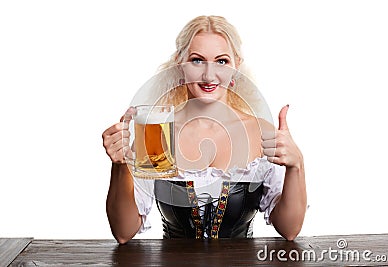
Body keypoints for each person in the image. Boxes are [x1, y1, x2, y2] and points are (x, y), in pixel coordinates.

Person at [102, 15, 307, 244]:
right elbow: (123, 232)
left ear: (236, 67)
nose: (209, 75)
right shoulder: (157, 133)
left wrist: (296, 165)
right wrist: (119, 167)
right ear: (180, 65)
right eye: (197, 60)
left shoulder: (262, 133)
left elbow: (289, 229)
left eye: (221, 61)